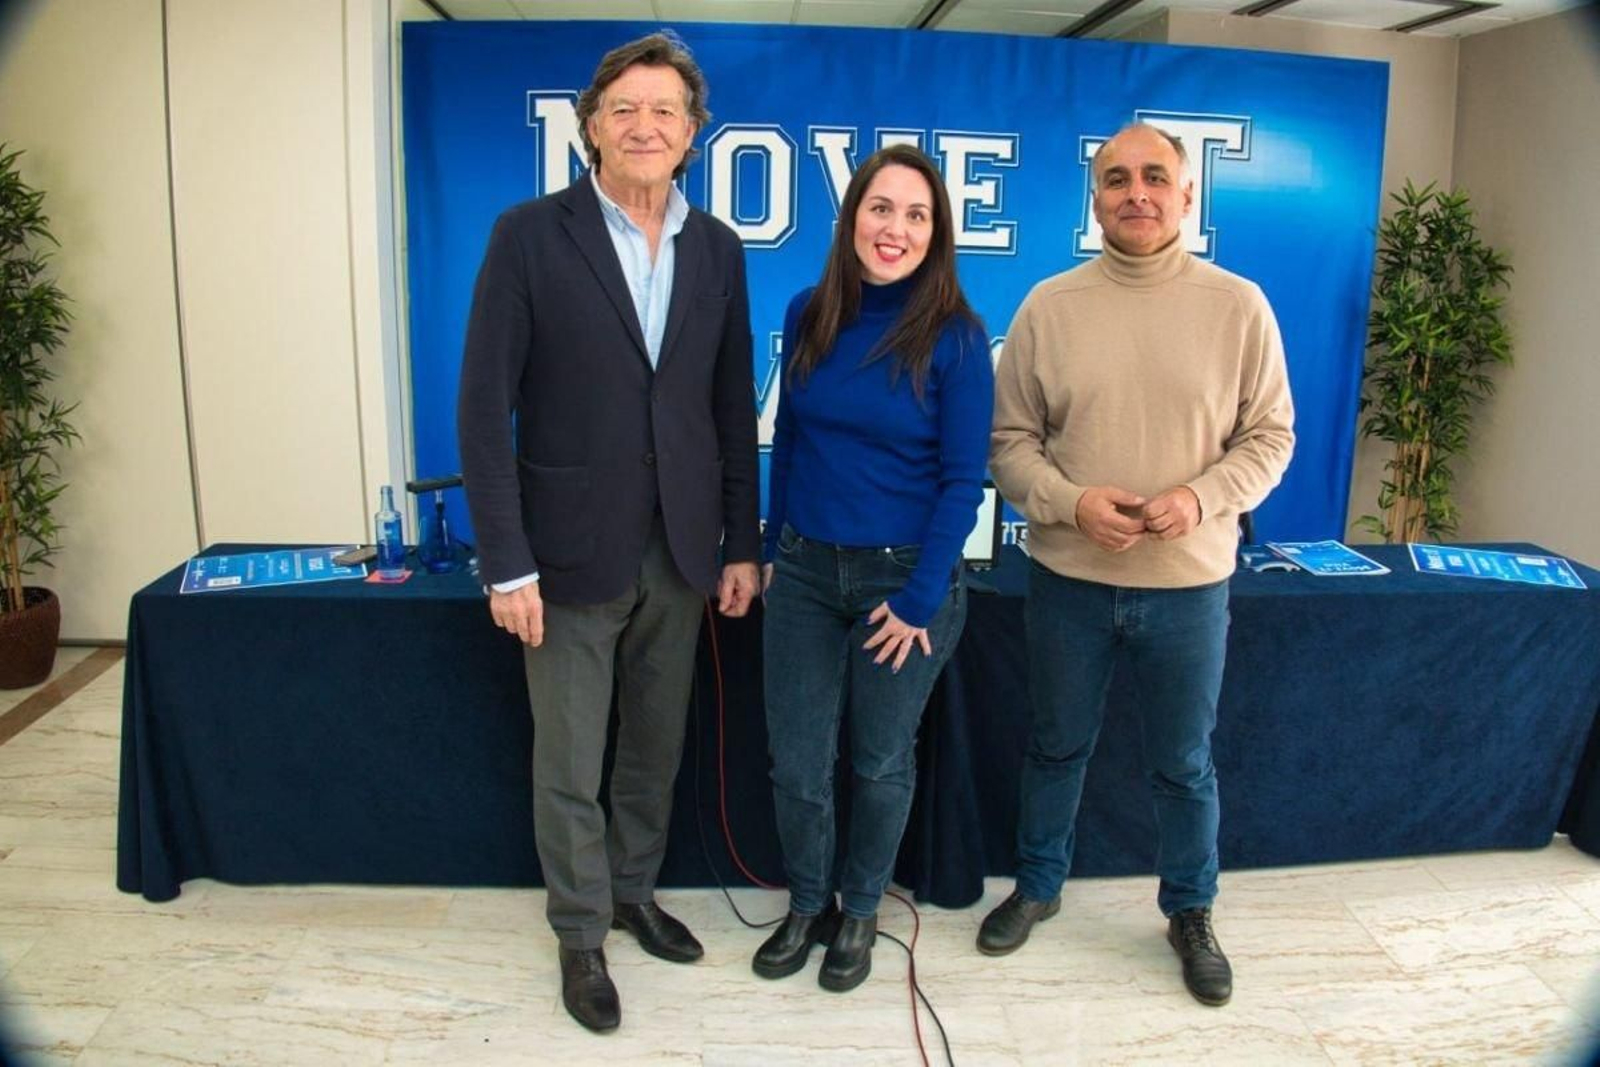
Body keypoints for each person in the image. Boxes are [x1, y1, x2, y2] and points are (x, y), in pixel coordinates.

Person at [456, 32, 760, 1033]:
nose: (644, 125)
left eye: (664, 111)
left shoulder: (715, 248)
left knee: (653, 747)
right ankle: (580, 930)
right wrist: (506, 559)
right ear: (589, 126)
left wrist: (741, 544)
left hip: (682, 547)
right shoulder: (527, 235)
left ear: (691, 134)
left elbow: (727, 410)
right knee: (570, 756)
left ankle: (633, 890)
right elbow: (480, 407)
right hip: (565, 550)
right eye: (624, 108)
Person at [982, 123, 1295, 1007]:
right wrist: (1069, 501)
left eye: (1156, 176)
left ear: (1189, 195)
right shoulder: (1049, 305)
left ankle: (1190, 910)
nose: (1137, 192)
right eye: (1117, 178)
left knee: (1183, 764)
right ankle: (1039, 884)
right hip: (1069, 580)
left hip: (1190, 586)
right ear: (1096, 198)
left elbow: (1271, 437)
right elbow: (1009, 445)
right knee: (1054, 746)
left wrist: (1199, 498)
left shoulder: (1239, 306)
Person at [752, 145, 994, 993]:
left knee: (880, 761)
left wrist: (923, 598)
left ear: (937, 233)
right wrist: (773, 544)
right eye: (881, 208)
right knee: (797, 759)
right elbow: (791, 445)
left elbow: (965, 479)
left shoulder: (957, 337)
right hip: (807, 575)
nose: (896, 228)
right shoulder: (809, 310)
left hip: (905, 587)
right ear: (853, 215)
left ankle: (860, 912)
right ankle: (808, 904)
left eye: (916, 214)